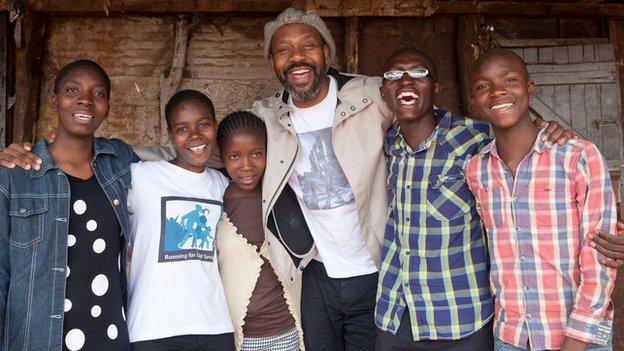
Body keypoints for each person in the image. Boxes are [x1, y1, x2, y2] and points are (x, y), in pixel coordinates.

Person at [2, 8, 624, 350]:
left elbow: (453, 121)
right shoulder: (266, 118)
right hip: (314, 274)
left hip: (383, 271)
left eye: (307, 46)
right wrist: (26, 150)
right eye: (283, 50)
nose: (296, 58)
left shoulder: (373, 98)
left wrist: (550, 128)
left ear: (326, 51)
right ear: (273, 61)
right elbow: (191, 151)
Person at [466, 48, 617, 351]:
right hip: (511, 337)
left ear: (530, 89)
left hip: (578, 337)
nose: (498, 92)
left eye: (510, 80)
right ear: (473, 101)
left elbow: (600, 256)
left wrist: (576, 340)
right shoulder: (476, 169)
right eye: (484, 86)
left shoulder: (578, 156)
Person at [0, 59, 135, 350]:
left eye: (98, 94)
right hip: (38, 339)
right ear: (55, 101)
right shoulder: (17, 176)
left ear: (107, 106)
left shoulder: (122, 163)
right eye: (73, 90)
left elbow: (178, 158)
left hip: (109, 336)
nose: (86, 100)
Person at [374, 48, 495, 351]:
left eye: (418, 73)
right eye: (393, 76)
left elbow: (525, 143)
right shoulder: (385, 143)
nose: (405, 81)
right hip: (396, 315)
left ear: (436, 88)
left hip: (461, 318)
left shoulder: (476, 138)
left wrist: (549, 130)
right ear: (383, 92)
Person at [127, 90, 235, 350]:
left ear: (215, 127)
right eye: (182, 128)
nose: (195, 136)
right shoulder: (140, 177)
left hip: (215, 326)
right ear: (170, 133)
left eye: (204, 125)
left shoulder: (223, 185)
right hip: (153, 327)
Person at [216, 110, 305, 350]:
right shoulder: (215, 198)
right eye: (234, 156)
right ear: (222, 157)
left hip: (288, 331)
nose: (246, 166)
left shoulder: (284, 196)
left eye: (256, 154)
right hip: (242, 338)